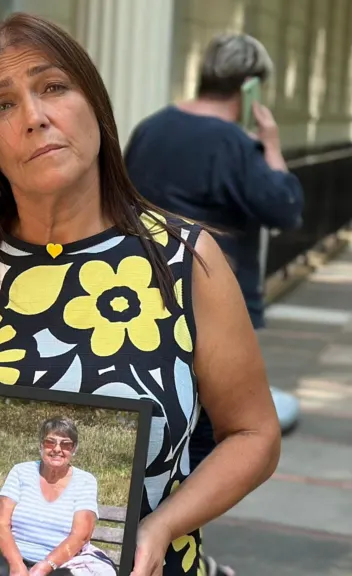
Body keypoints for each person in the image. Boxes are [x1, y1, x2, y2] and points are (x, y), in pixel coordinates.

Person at [0, 13, 281, 576]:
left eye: (53, 87)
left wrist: (160, 527)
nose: (34, 117)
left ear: (95, 104)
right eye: (3, 105)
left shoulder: (183, 263)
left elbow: (255, 434)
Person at [124, 33, 304, 441]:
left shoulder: (151, 128)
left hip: (139, 296)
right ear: (250, 86)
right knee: (211, 432)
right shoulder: (234, 144)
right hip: (214, 303)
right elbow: (286, 208)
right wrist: (271, 147)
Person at [0, 418, 116, 576]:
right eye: (50, 442)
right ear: (41, 445)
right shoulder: (21, 472)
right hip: (13, 554)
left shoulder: (85, 481)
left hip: (62, 561)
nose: (57, 449)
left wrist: (45, 566)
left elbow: (80, 535)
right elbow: (1, 522)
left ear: (74, 448)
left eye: (66, 444)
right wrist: (17, 565)